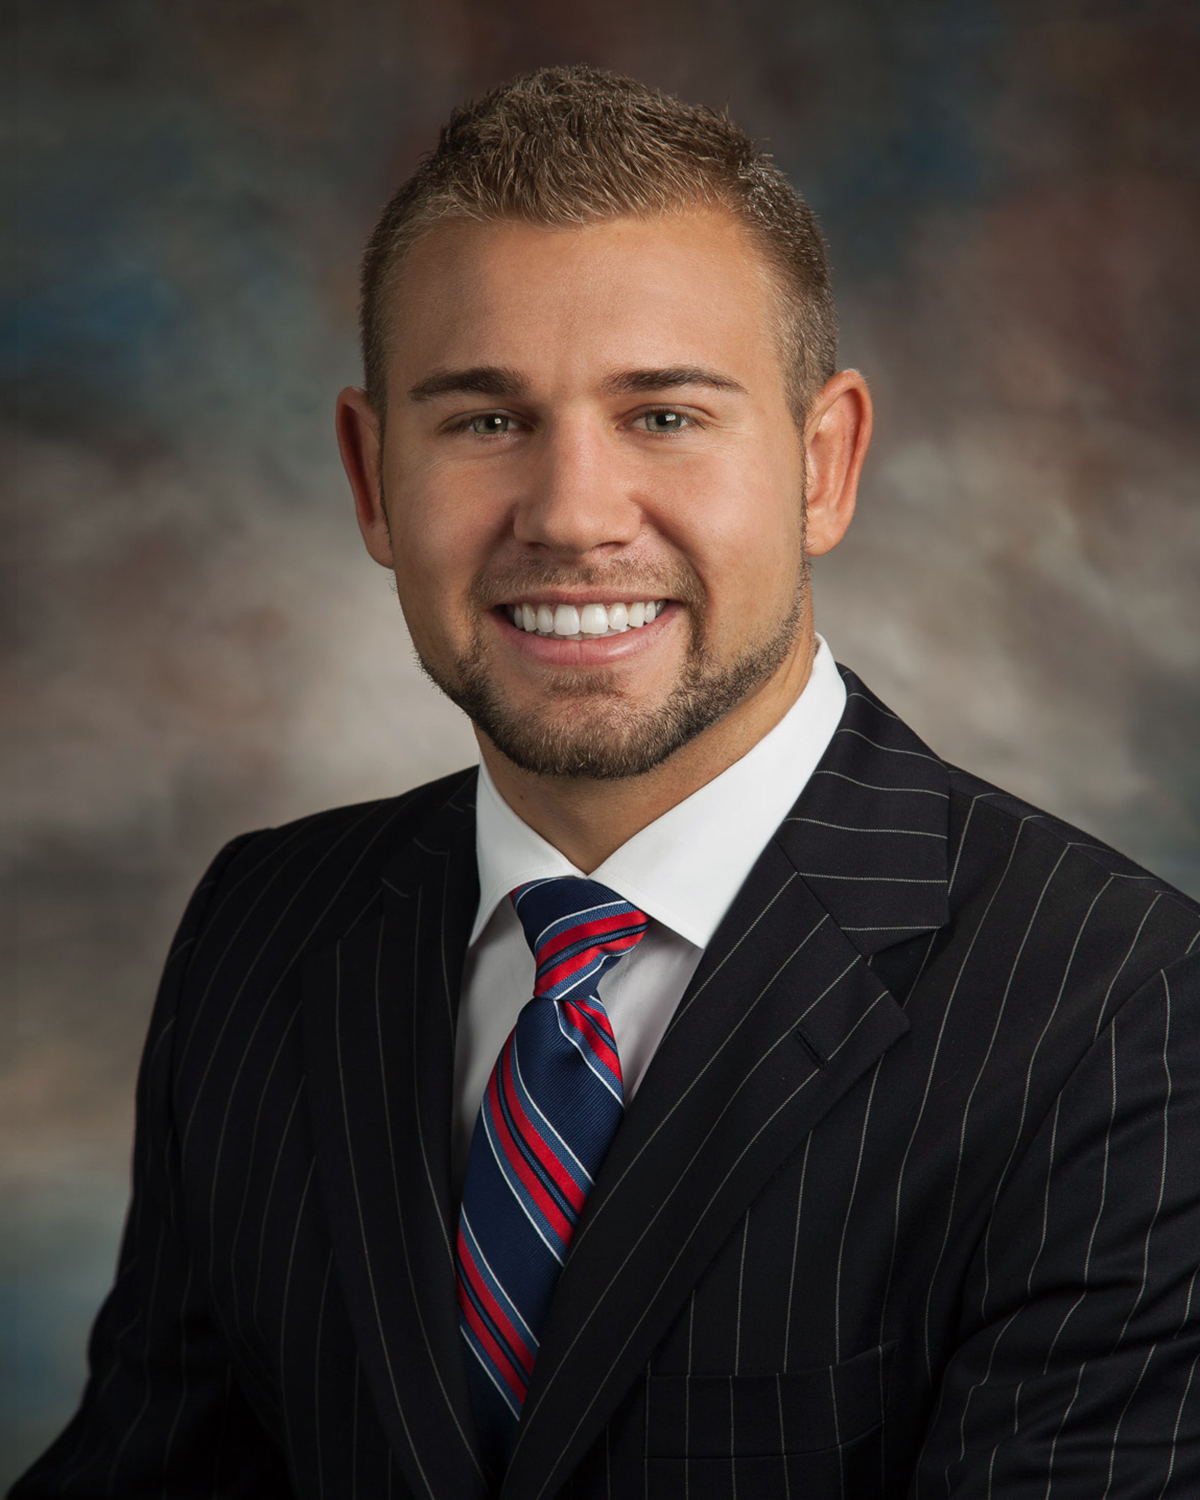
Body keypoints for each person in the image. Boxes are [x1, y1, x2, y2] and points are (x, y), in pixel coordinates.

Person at [12, 66, 1199, 1500]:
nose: (573, 516)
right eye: (485, 422)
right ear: (373, 477)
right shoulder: (262, 930)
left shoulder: (1121, 1010)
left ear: (823, 465)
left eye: (666, 416)